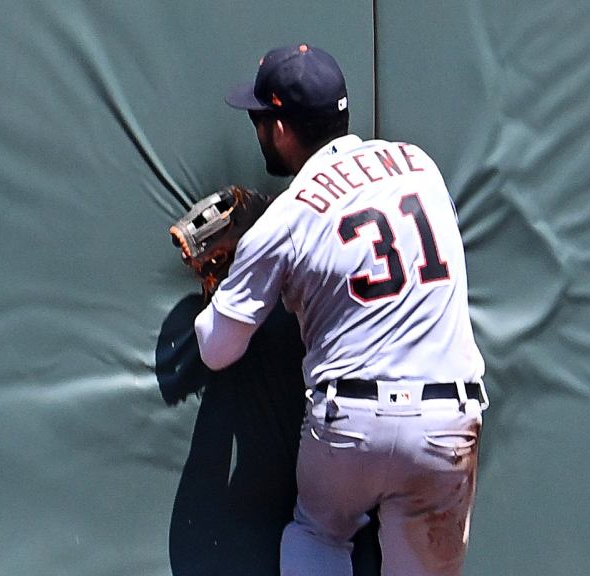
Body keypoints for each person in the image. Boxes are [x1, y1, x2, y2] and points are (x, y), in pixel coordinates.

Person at [194, 43, 488, 576]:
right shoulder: (420, 165)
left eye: (260, 118)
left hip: (351, 424)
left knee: (319, 533)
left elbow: (217, 350)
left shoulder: (285, 218)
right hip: (449, 421)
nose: (257, 129)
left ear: (281, 128)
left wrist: (224, 287)